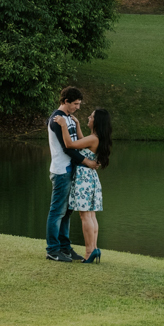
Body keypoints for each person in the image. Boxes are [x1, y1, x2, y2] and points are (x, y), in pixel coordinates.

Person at [46, 87, 99, 263]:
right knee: (57, 212)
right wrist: (87, 162)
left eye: (79, 104)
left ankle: (65, 248)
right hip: (62, 171)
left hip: (72, 170)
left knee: (67, 212)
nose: (78, 107)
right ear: (65, 101)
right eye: (75, 104)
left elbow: (77, 143)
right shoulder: (56, 119)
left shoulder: (68, 119)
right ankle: (52, 250)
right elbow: (67, 148)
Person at [55, 109, 113, 264]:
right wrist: (78, 125)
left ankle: (89, 252)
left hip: (84, 179)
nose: (89, 117)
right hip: (91, 178)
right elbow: (83, 142)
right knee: (91, 215)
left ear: (97, 121)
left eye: (91, 116)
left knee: (85, 216)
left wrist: (63, 125)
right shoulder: (96, 138)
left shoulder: (94, 139)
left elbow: (70, 144)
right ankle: (94, 248)